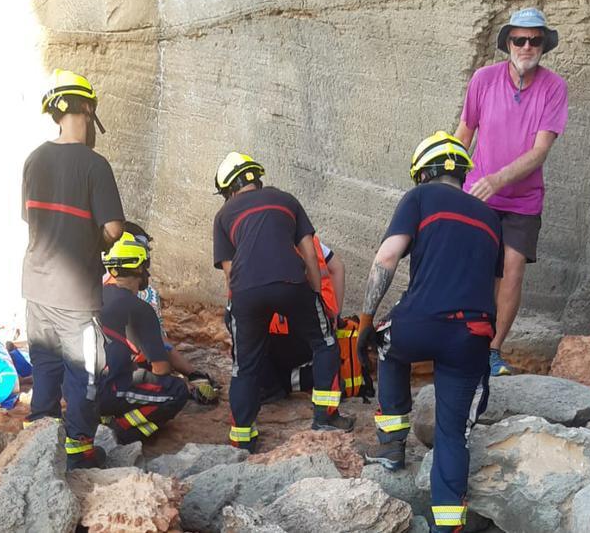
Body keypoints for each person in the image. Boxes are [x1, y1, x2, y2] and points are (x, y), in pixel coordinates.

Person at [358, 131, 504, 532]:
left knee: (388, 347)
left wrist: (366, 324)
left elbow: (387, 258)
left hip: (418, 324)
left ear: (422, 174)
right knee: (453, 434)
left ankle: (391, 449)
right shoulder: (492, 218)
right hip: (471, 333)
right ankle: (447, 526)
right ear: (462, 174)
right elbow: (494, 292)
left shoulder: (418, 199)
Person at [211, 152, 354, 451]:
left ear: (229, 189)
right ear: (257, 179)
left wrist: (237, 310)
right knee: (325, 341)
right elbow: (311, 254)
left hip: (246, 293)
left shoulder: (223, 216)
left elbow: (230, 272)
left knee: (244, 367)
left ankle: (242, 437)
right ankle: (325, 417)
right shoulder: (286, 200)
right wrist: (315, 294)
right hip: (292, 283)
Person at [454, 7, 569, 376]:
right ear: (507, 43)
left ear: (543, 45)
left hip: (522, 199)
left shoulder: (554, 87)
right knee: (474, 270)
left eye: (535, 40)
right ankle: (464, 341)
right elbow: (464, 132)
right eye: (519, 39)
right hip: (477, 193)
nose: (526, 46)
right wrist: (449, 180)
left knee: (513, 269)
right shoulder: (484, 79)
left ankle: (492, 349)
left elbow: (540, 151)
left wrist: (498, 180)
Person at [21, 68, 125, 469]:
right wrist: (99, 240)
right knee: (87, 369)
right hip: (75, 294)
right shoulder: (94, 165)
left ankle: (39, 445)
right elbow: (113, 227)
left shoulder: (33, 160)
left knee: (45, 365)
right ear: (86, 108)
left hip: (35, 286)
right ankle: (79, 449)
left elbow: (29, 218)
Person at [104, 222, 218, 402]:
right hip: (122, 376)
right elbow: (159, 346)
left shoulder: (92, 283)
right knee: (173, 389)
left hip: (81, 376)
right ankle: (121, 428)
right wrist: (190, 378)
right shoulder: (145, 294)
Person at [97, 233, 192, 443]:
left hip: (78, 387)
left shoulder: (95, 295)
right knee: (176, 391)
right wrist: (188, 378)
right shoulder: (140, 308)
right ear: (139, 267)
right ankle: (121, 430)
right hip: (107, 389)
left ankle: (104, 418)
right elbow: (161, 368)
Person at [261, 234, 371, 403]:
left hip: (281, 335)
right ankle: (320, 378)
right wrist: (335, 313)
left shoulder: (261, 241)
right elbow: (338, 267)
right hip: (318, 330)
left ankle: (285, 383)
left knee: (251, 354)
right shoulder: (309, 239)